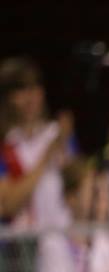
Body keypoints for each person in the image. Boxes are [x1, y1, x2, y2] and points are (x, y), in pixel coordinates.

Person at [0, 57, 75, 228]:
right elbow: (8, 206)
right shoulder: (5, 147)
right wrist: (47, 155)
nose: (30, 98)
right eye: (21, 90)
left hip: (63, 239)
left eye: (35, 88)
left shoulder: (58, 133)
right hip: (25, 245)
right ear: (7, 98)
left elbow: (77, 188)